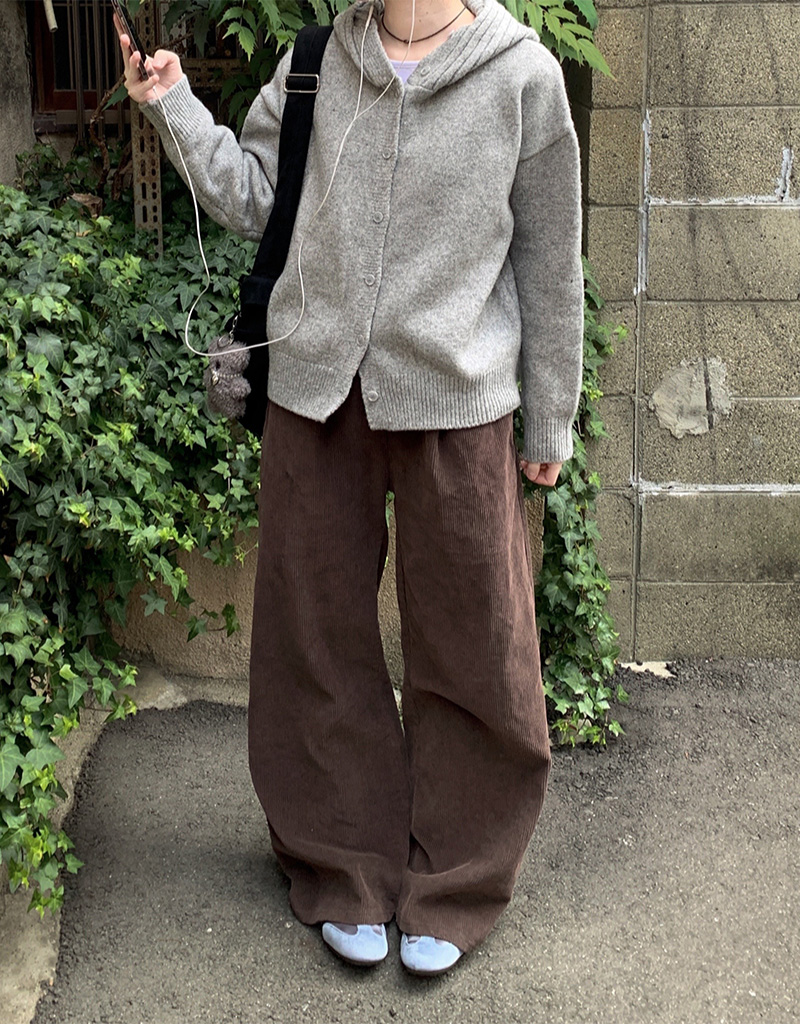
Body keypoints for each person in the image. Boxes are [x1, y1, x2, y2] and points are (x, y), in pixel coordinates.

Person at [119, 0, 583, 977]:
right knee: (314, 632)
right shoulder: (316, 61)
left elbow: (548, 258)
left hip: (457, 398)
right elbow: (255, 196)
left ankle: (456, 880)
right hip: (315, 388)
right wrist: (173, 103)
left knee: (476, 640)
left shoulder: (521, 76)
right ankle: (343, 864)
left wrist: (550, 415)